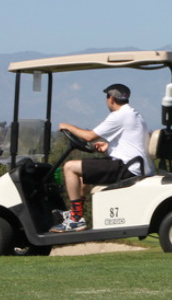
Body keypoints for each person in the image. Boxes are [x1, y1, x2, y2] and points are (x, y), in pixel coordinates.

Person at [50, 83, 154, 233]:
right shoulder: (133, 114)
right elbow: (130, 140)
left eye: (106, 97)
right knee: (82, 175)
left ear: (111, 99)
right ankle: (75, 212)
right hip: (132, 164)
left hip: (127, 168)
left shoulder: (119, 116)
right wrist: (107, 147)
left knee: (69, 167)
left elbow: (89, 136)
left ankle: (75, 219)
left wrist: (68, 126)